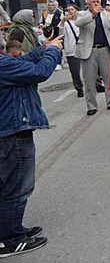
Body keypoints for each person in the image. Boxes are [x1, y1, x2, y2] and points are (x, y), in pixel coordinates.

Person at [0, 33, 63, 257]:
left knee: (10, 186)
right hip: (13, 133)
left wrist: (42, 49)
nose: (2, 34)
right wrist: (53, 51)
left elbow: (21, 63)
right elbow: (39, 72)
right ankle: (10, 240)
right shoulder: (2, 64)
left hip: (10, 130)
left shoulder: (4, 63)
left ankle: (12, 229)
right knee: (16, 188)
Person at [75, 0, 110, 116]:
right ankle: (91, 105)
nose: (96, 4)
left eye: (98, 2)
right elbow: (78, 23)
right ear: (88, 4)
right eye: (93, 2)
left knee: (109, 78)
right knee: (89, 80)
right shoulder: (82, 14)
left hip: (105, 49)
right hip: (89, 50)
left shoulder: (105, 14)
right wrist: (93, 15)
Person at [61, 4, 85, 98]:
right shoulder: (65, 23)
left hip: (84, 47)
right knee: (75, 71)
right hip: (72, 49)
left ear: (76, 11)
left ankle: (96, 84)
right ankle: (79, 88)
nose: (70, 11)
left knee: (91, 68)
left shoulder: (81, 20)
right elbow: (60, 32)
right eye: (68, 10)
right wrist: (63, 21)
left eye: (72, 9)